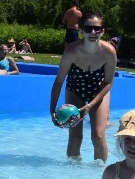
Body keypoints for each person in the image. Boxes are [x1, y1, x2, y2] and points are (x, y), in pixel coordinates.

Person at [50, 10, 117, 162]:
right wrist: (52, 111)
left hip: (99, 91)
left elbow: (108, 82)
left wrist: (91, 105)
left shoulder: (109, 52)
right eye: (88, 28)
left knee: (98, 136)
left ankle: (99, 175)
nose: (93, 32)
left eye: (97, 28)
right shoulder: (71, 51)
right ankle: (74, 176)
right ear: (81, 30)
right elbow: (59, 81)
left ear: (102, 31)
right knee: (75, 137)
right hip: (75, 90)